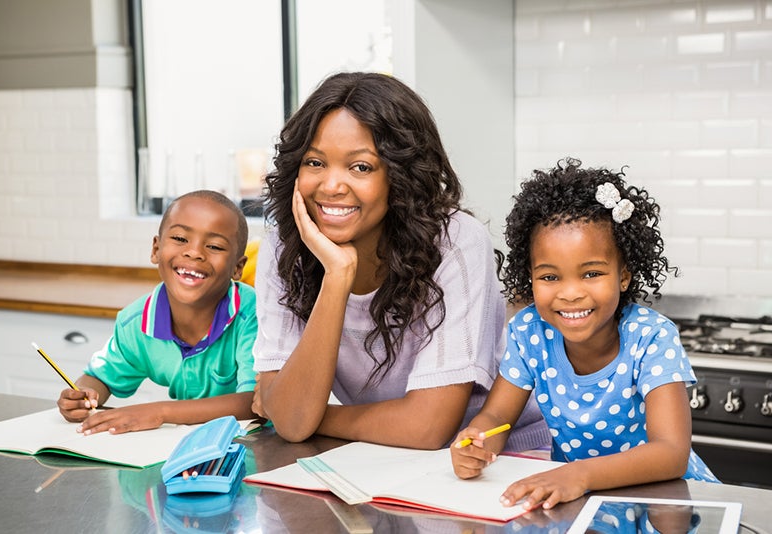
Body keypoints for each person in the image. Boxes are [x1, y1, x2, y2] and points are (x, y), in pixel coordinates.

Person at [251, 71, 549, 451]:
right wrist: (337, 276)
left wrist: (308, 415)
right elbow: (292, 422)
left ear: (400, 176)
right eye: (315, 162)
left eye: (360, 167)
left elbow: (426, 429)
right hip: (386, 458)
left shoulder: (455, 244)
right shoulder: (284, 247)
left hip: (505, 457)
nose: (331, 186)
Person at [450, 158, 719, 510]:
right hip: (583, 501)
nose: (571, 293)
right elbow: (498, 417)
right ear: (529, 277)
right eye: (549, 277)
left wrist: (579, 474)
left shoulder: (652, 338)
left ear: (624, 275)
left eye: (591, 273)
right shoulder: (529, 332)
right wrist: (478, 441)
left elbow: (671, 453)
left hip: (667, 504)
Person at [57, 190, 258, 434]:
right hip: (189, 445)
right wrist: (83, 396)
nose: (194, 252)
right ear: (155, 249)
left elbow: (253, 401)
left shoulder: (253, 314)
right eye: (181, 239)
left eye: (214, 246)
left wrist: (159, 412)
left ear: (237, 268)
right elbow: (99, 377)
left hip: (252, 445)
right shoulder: (135, 322)